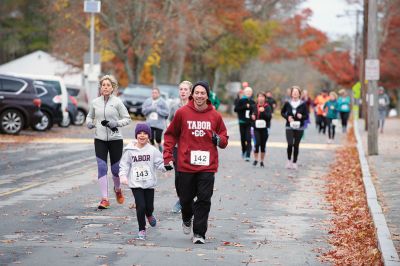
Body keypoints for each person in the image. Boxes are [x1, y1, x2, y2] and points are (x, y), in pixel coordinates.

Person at [163, 81, 228, 244]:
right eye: (197, 93)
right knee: (185, 199)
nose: (200, 96)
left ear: (207, 95)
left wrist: (218, 139)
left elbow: (224, 139)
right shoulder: (182, 113)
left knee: (204, 199)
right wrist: (167, 156)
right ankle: (186, 217)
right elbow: (170, 135)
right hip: (186, 164)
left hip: (207, 165)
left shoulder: (215, 115)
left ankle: (199, 233)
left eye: (203, 93)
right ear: (193, 94)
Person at [86, 75, 131, 209]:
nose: (105, 87)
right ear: (101, 87)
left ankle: (117, 189)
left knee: (116, 169)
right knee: (102, 167)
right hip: (99, 139)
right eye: (103, 85)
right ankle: (105, 199)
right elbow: (90, 116)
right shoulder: (95, 102)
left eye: (108, 85)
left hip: (115, 139)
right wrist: (89, 122)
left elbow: (127, 118)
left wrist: (115, 123)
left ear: (112, 88)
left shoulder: (117, 102)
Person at [119, 123, 166, 240]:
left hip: (149, 183)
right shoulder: (129, 151)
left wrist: (166, 166)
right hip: (136, 183)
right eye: (139, 133)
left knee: (149, 207)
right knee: (141, 206)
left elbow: (160, 163)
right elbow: (124, 165)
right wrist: (123, 176)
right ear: (136, 135)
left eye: (145, 133)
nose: (142, 135)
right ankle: (142, 229)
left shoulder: (153, 150)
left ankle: (149, 215)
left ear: (149, 136)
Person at [169, 80, 193, 214]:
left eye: (185, 89)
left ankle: (186, 200)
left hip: (191, 147)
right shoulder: (174, 106)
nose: (183, 92)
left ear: (190, 92)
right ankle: (182, 199)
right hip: (177, 146)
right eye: (181, 89)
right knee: (178, 176)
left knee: (189, 175)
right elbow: (169, 121)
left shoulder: (194, 107)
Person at [281, 86, 309, 170]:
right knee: (290, 144)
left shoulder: (303, 104)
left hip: (299, 127)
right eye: (293, 92)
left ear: (299, 94)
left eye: (297, 92)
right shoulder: (287, 103)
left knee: (296, 145)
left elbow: (306, 116)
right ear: (291, 94)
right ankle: (289, 161)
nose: (295, 93)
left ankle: (294, 162)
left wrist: (301, 116)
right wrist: (287, 117)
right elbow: (282, 112)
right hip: (289, 126)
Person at [142, 87, 169, 151]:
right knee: (150, 138)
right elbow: (143, 111)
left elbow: (167, 112)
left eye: (155, 93)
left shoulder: (163, 102)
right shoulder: (148, 101)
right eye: (153, 93)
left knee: (158, 139)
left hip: (159, 124)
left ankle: (160, 149)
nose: (154, 94)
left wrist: (158, 110)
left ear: (159, 94)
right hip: (150, 123)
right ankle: (154, 150)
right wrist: (151, 108)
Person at [234, 87, 255, 161]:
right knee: (243, 139)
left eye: (250, 92)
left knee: (248, 139)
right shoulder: (241, 101)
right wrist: (245, 106)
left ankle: (248, 155)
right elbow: (236, 109)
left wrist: (253, 113)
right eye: (247, 92)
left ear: (251, 93)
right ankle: (244, 151)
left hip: (249, 123)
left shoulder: (253, 101)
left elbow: (255, 110)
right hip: (242, 122)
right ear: (244, 93)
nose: (248, 93)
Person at [251, 92, 272, 167]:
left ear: (265, 98)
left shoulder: (267, 107)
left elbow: (269, 118)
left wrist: (264, 112)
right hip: (255, 128)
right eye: (259, 96)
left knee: (263, 145)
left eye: (262, 97)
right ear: (257, 98)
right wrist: (252, 116)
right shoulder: (254, 106)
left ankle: (262, 161)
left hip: (265, 128)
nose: (261, 98)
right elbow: (251, 114)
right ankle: (256, 159)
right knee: (257, 143)